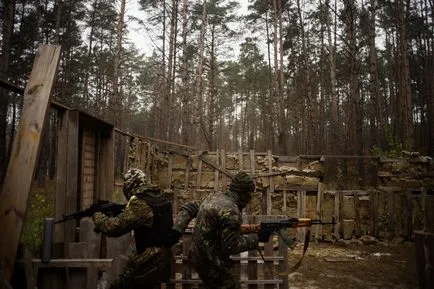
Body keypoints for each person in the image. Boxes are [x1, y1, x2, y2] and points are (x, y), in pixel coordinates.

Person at [172, 171, 272, 289]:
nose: (250, 199)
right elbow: (230, 246)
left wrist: (177, 229)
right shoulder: (231, 210)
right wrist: (257, 238)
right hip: (212, 261)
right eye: (249, 194)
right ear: (243, 193)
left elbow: (189, 207)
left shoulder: (215, 198)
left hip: (198, 256)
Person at [92, 168, 181, 289]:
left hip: (147, 259)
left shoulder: (141, 203)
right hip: (164, 258)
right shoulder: (159, 197)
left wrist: (97, 215)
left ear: (130, 185)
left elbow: (113, 228)